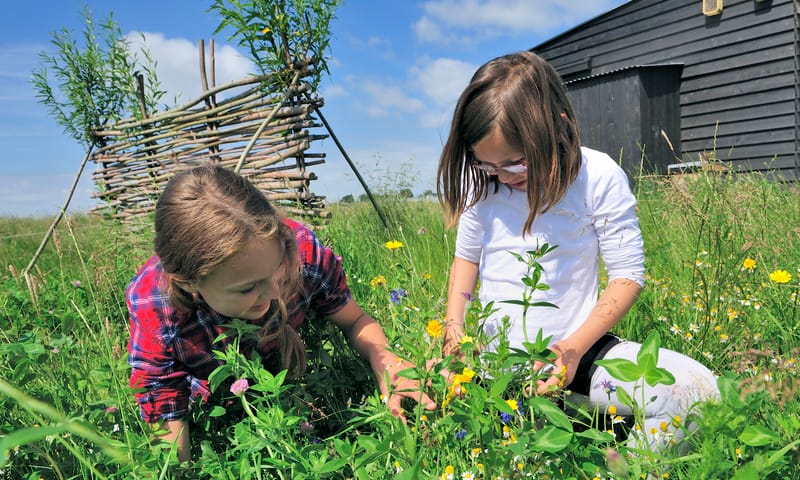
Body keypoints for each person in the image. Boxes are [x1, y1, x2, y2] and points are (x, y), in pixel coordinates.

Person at [436, 51, 718, 450]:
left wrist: (571, 349)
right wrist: (454, 334)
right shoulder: (483, 186)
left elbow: (627, 275)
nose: (500, 176)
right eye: (486, 165)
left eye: (515, 164)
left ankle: (619, 469)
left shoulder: (598, 177)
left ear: (558, 127)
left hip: (576, 355)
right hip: (492, 364)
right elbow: (466, 261)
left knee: (698, 395)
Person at [127, 164, 435, 462]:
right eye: (247, 288)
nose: (275, 292)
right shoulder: (156, 306)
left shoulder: (303, 255)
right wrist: (180, 470)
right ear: (190, 282)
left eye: (277, 269)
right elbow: (165, 409)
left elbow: (355, 319)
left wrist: (384, 358)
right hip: (217, 405)